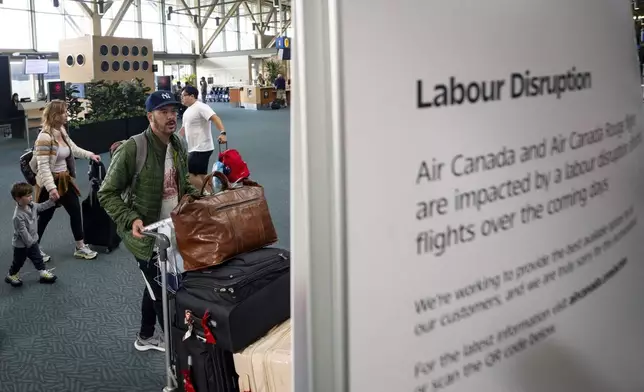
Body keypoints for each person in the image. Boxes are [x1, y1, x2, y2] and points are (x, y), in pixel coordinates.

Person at [98, 91, 200, 352]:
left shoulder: (177, 144)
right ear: (149, 116)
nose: (171, 116)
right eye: (163, 111)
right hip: (145, 237)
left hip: (172, 230)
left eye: (173, 111)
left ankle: (145, 336)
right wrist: (130, 218)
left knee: (155, 286)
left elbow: (182, 183)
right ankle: (178, 352)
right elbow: (106, 193)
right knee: (164, 294)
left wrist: (200, 197)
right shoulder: (133, 148)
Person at [31, 100, 100, 261]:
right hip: (49, 182)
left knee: (75, 211)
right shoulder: (44, 137)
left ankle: (80, 247)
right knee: (45, 217)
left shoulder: (60, 130)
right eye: (63, 112)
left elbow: (73, 149)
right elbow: (43, 167)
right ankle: (33, 247)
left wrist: (90, 154)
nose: (66, 115)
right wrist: (51, 188)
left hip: (64, 179)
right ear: (54, 115)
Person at [5, 182, 57, 287]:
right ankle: (11, 275)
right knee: (18, 262)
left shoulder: (32, 206)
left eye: (31, 195)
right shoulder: (18, 216)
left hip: (32, 241)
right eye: (28, 196)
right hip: (21, 245)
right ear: (18, 199)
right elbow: (23, 232)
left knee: (38, 258)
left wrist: (52, 201)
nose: (31, 197)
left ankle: (43, 272)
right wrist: (32, 243)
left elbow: (41, 207)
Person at [179, 86, 227, 189]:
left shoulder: (201, 107)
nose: (181, 98)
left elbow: (215, 118)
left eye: (183, 95)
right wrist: (173, 139)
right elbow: (184, 128)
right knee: (201, 175)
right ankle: (211, 195)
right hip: (195, 148)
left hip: (201, 147)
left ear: (192, 96)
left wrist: (223, 133)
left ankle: (206, 195)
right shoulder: (188, 111)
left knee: (191, 175)